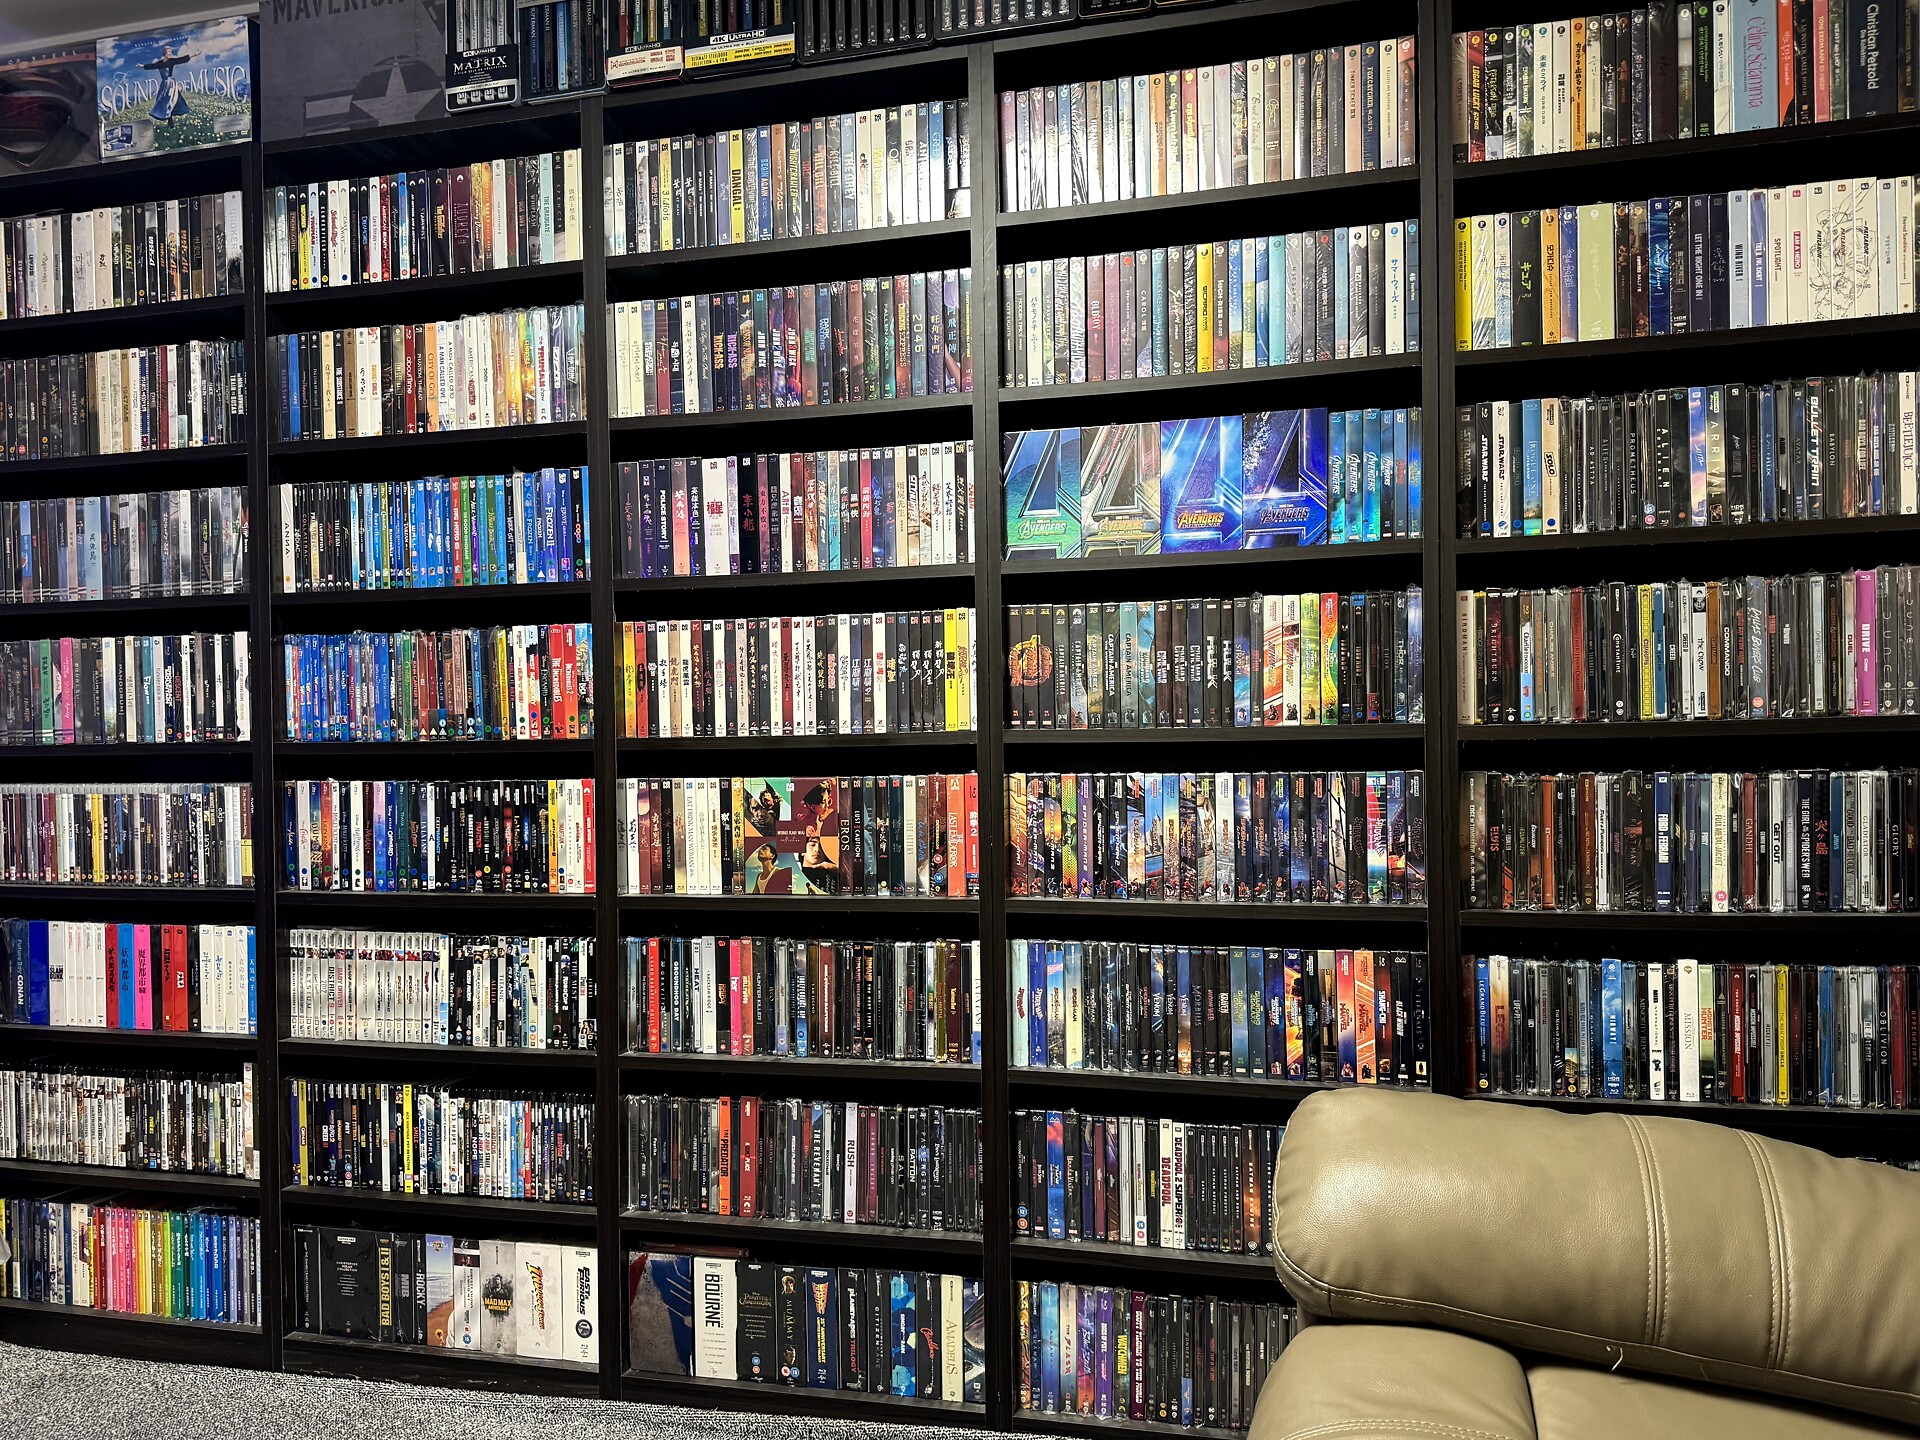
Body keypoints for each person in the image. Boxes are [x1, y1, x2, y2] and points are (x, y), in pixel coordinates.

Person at [141, 45, 196, 126]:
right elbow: (152, 66)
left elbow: (181, 59)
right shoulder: (160, 63)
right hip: (164, 84)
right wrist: (142, 66)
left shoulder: (172, 61)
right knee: (163, 101)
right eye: (169, 51)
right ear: (165, 53)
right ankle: (168, 119)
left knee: (172, 99)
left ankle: (171, 120)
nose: (170, 53)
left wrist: (194, 54)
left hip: (171, 84)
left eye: (171, 52)